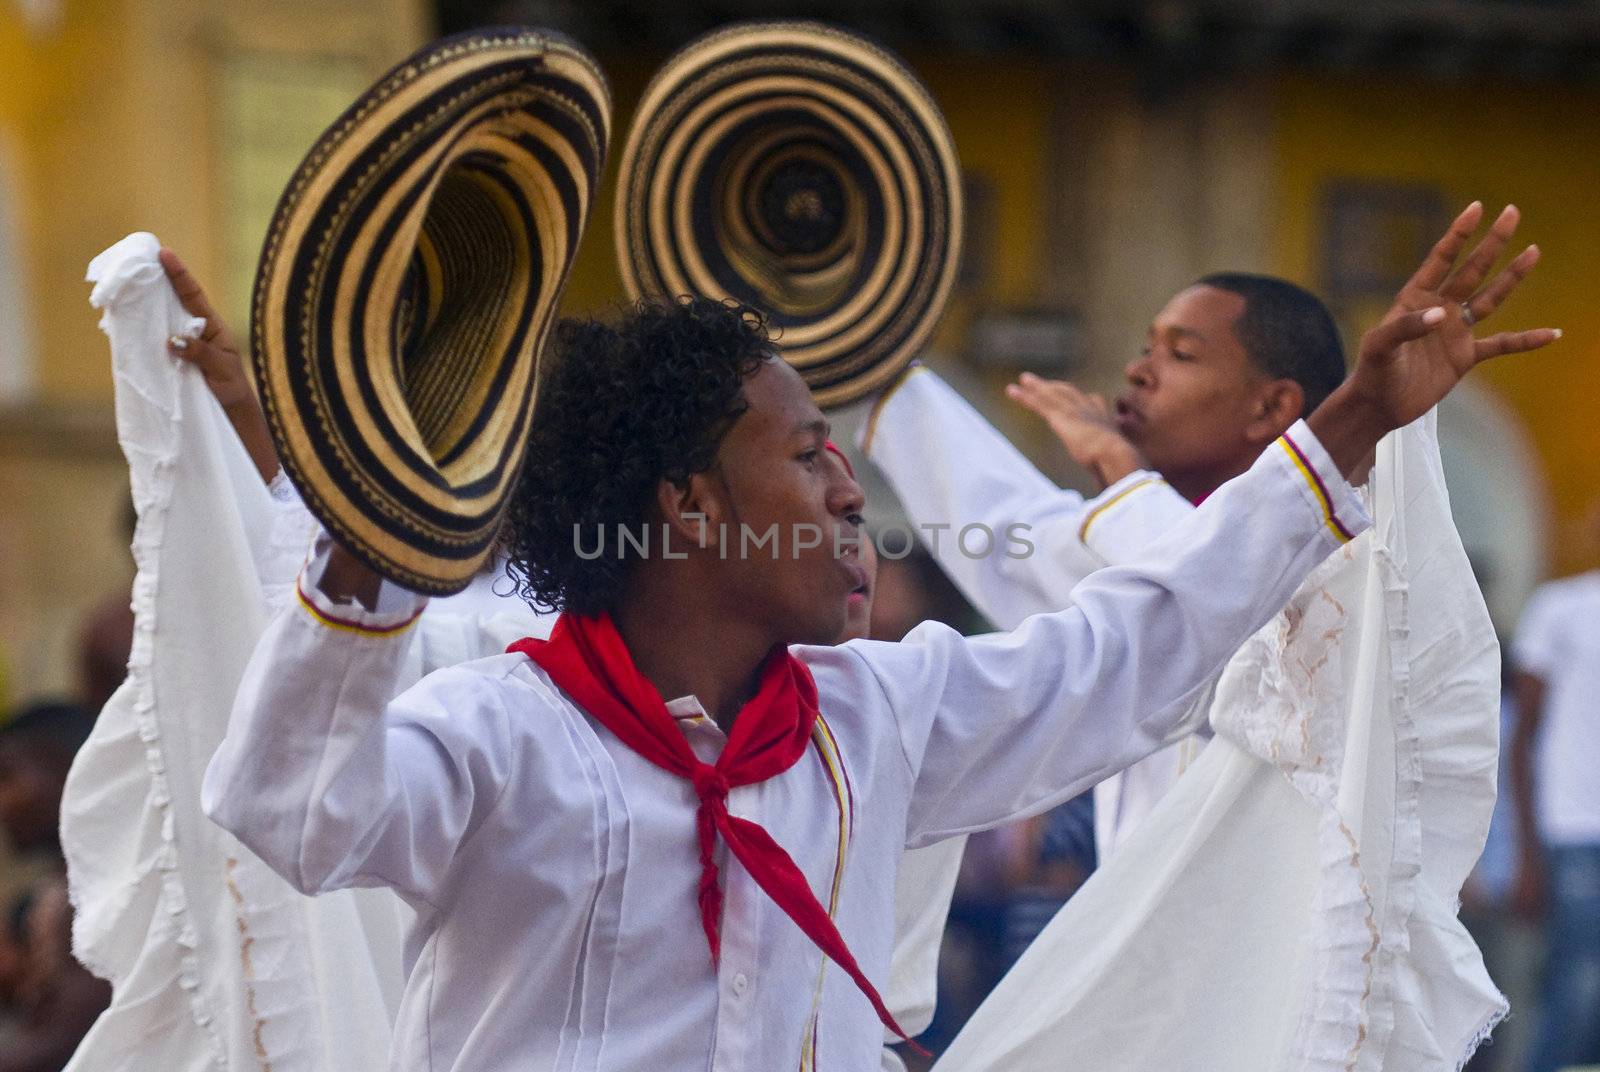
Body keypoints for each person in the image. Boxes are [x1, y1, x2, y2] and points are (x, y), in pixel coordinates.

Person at [196, 188, 1550, 1068]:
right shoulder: (499, 732)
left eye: (845, 452)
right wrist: (360, 563)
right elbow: (294, 813)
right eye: (806, 458)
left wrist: (1355, 422)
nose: (852, 488)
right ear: (687, 504)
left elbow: (1135, 645)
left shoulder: (874, 718)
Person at [864, 203, 1541, 861]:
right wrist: (859, 355)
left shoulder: (1350, 559)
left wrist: (1124, 475)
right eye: (1143, 349)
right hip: (1152, 944)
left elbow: (1224, 609)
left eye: (1181, 354)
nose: (1137, 371)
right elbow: (1008, 525)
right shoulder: (1126, 541)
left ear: (1272, 406)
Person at [1509, 501, 1600, 1072]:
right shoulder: (1560, 608)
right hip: (1574, 830)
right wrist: (1525, 855)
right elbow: (1522, 740)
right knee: (1582, 986)